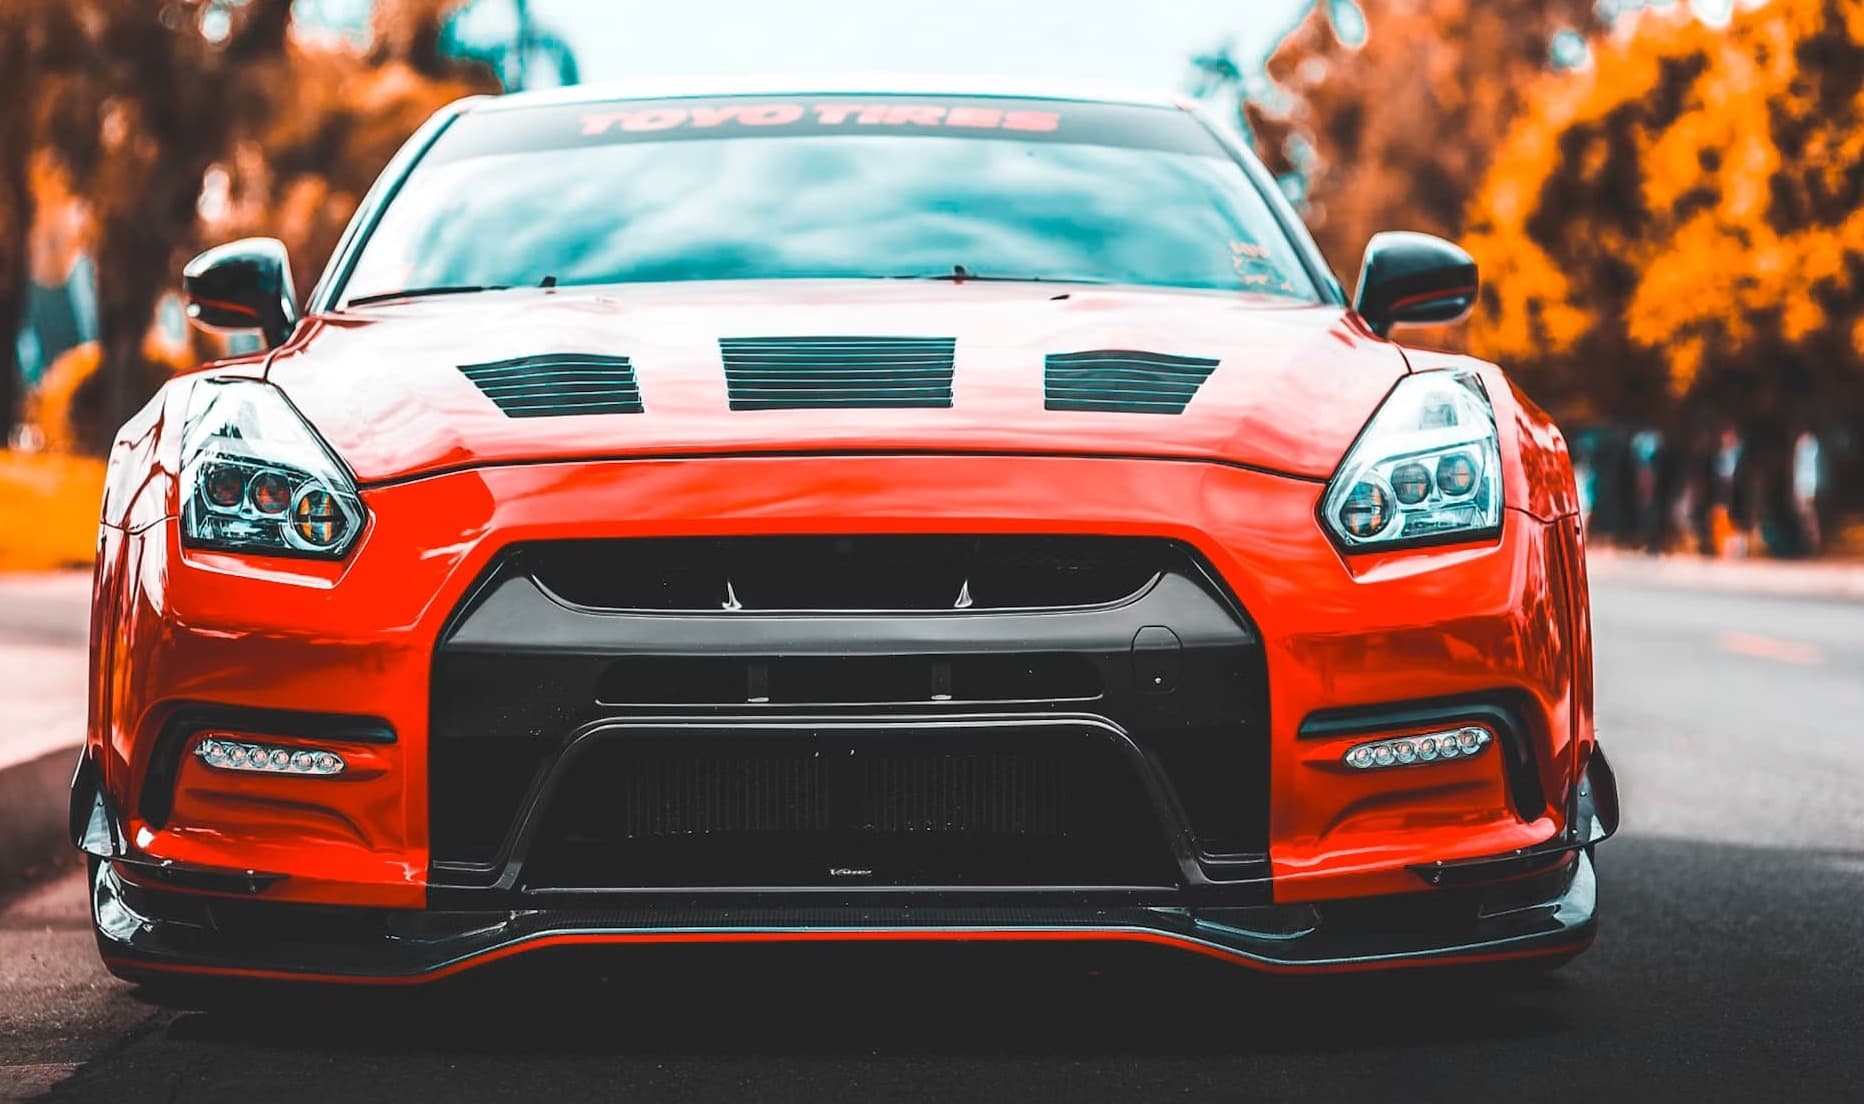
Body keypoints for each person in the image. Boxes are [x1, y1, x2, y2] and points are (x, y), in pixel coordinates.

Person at [1792, 428, 1823, 555]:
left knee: (1808, 516)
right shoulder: (1809, 445)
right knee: (1806, 516)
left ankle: (1813, 544)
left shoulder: (1808, 445)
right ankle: (1810, 544)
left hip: (1806, 486)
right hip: (1805, 485)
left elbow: (1805, 468)